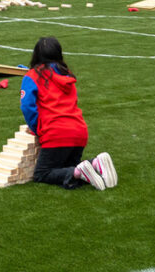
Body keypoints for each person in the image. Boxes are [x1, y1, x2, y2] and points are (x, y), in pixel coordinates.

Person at [19, 36, 117, 191]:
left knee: (42, 174)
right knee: (67, 167)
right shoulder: (67, 74)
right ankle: (95, 165)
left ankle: (82, 169)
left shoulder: (32, 76)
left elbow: (27, 106)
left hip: (56, 133)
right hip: (79, 131)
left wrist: (38, 128)